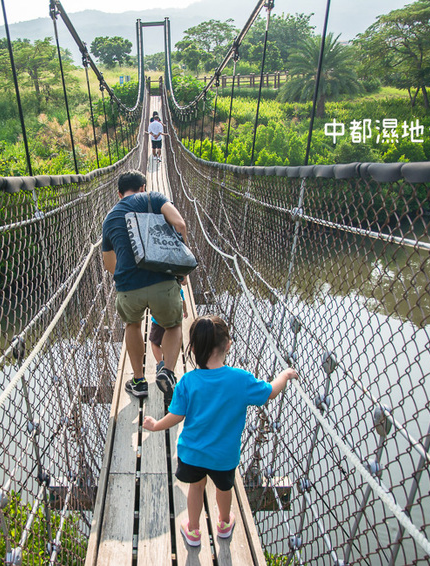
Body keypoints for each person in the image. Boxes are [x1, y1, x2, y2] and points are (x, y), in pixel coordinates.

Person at [142, 315, 298, 548]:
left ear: (192, 348)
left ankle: (193, 531)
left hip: (192, 454)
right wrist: (284, 375)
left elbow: (176, 416)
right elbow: (270, 392)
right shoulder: (241, 380)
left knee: (196, 488)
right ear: (228, 344)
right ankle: (224, 524)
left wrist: (155, 425)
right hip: (224, 457)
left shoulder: (187, 381)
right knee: (225, 489)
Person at [101, 170, 189, 399]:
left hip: (129, 287)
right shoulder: (154, 198)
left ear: (119, 194)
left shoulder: (109, 218)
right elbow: (180, 224)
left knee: (132, 325)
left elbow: (110, 264)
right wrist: (181, 270)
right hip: (162, 280)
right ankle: (168, 372)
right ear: (143, 187)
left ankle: (139, 382)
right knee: (173, 325)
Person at [149, 288, 188, 374]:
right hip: (172, 320)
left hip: (158, 321)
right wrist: (185, 311)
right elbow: (183, 302)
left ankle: (160, 363)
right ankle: (168, 366)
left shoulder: (156, 287)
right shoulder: (179, 289)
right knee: (169, 343)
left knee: (154, 343)